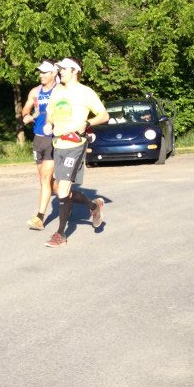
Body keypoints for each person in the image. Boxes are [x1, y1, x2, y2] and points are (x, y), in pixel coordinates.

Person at [43, 57, 109, 248]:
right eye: (60, 69)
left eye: (64, 69)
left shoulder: (85, 92)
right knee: (61, 191)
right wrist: (48, 124)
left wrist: (87, 123)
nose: (60, 71)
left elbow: (104, 115)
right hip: (58, 144)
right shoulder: (57, 91)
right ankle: (94, 206)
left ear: (75, 71)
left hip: (75, 144)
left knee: (63, 190)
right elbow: (50, 114)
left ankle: (60, 234)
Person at [22, 60, 58, 230]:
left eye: (45, 72)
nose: (41, 75)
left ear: (53, 73)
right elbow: (26, 109)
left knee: (45, 179)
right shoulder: (35, 91)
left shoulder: (60, 91)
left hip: (53, 138)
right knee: (47, 182)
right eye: (40, 72)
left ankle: (39, 218)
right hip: (38, 139)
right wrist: (26, 116)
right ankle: (84, 202)